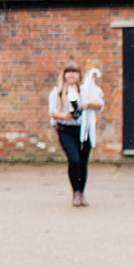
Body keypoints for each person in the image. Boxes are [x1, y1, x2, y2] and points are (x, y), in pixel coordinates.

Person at [47, 64, 94, 207]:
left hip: (84, 129)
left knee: (83, 162)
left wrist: (88, 104)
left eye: (74, 72)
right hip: (66, 129)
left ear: (79, 75)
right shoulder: (58, 91)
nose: (71, 75)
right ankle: (75, 191)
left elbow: (97, 105)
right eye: (68, 72)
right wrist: (65, 116)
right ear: (64, 75)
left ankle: (81, 192)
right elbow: (53, 112)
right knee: (74, 160)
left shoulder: (85, 91)